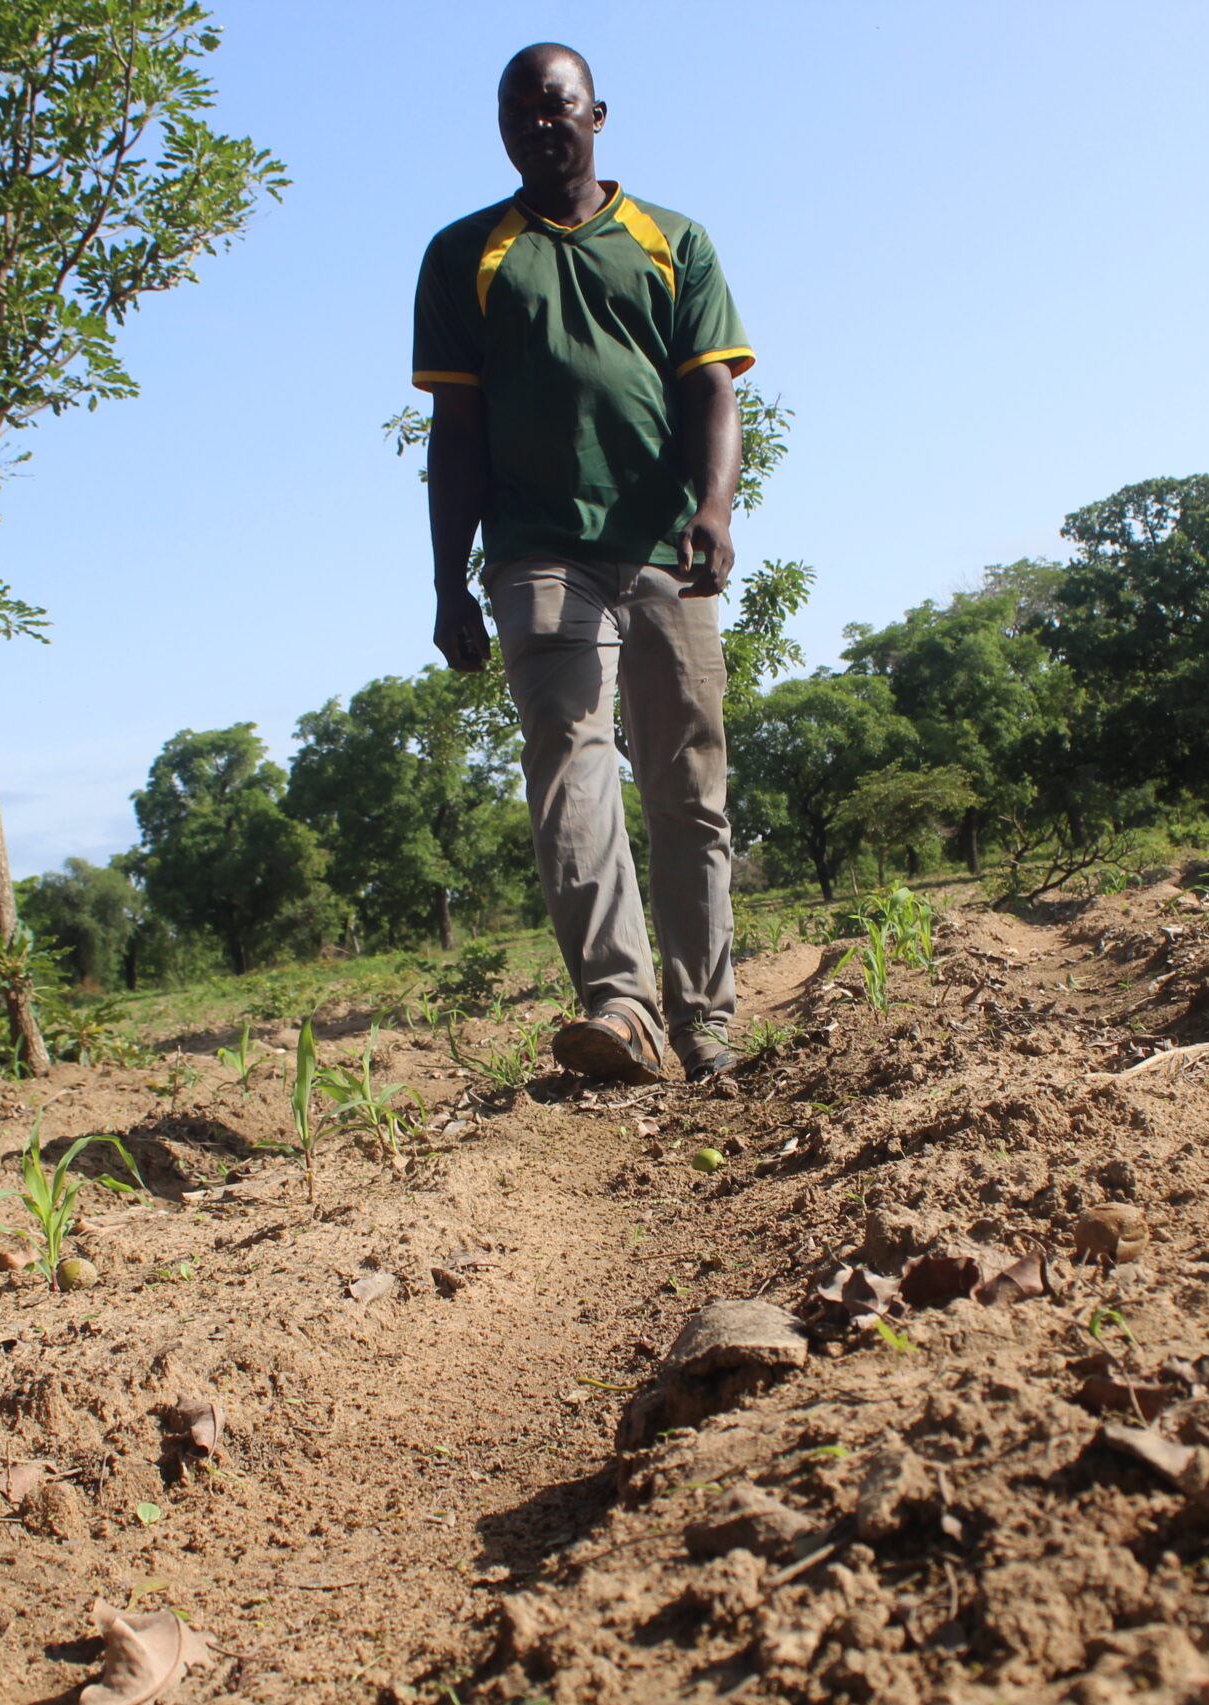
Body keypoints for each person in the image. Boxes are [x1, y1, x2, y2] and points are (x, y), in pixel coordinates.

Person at [411, 42, 751, 1085]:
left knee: (688, 785)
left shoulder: (670, 241)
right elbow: (454, 432)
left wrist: (713, 509)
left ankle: (707, 1022)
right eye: (516, 113)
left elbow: (714, 394)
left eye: (554, 107)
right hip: (536, 553)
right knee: (570, 756)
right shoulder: (464, 253)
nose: (536, 125)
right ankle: (621, 1007)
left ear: (596, 113)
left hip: (660, 548)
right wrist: (445, 581)